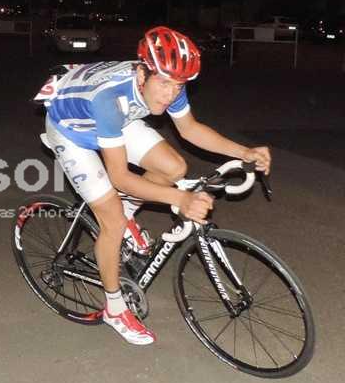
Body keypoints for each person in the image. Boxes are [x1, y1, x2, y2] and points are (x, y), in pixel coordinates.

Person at [34, 26, 271, 345]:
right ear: (142, 73)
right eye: (164, 84)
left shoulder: (168, 79)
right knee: (112, 220)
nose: (170, 94)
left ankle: (127, 213)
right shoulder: (110, 98)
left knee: (174, 167)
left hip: (116, 121)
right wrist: (180, 198)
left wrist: (244, 152)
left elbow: (189, 129)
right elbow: (120, 177)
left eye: (178, 86)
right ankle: (114, 308)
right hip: (72, 131)